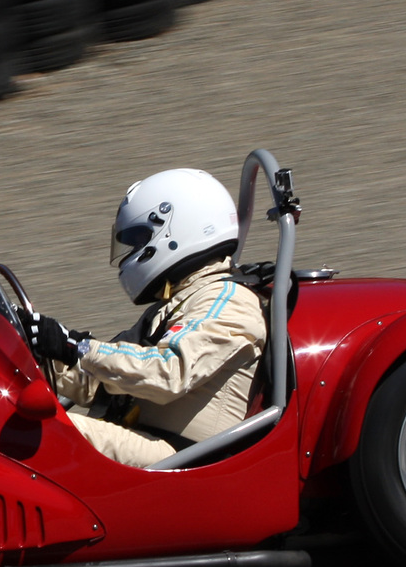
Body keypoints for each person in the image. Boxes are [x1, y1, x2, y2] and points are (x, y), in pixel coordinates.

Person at [25, 168, 266, 468]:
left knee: (38, 431)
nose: (133, 251)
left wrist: (77, 347)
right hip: (147, 441)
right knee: (13, 411)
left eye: (139, 239)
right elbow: (104, 382)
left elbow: (167, 373)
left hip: (187, 460)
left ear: (178, 229)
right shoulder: (178, 302)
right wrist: (34, 354)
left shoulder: (229, 301)